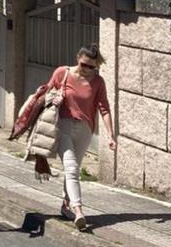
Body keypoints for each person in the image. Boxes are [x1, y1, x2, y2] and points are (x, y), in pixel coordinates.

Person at [50, 44, 115, 231]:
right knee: (71, 168)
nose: (87, 70)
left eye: (92, 67)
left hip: (85, 129)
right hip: (63, 125)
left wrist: (110, 135)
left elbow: (104, 108)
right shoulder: (62, 73)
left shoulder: (98, 82)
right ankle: (78, 210)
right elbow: (46, 91)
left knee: (74, 168)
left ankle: (65, 205)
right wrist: (54, 97)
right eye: (84, 65)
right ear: (78, 58)